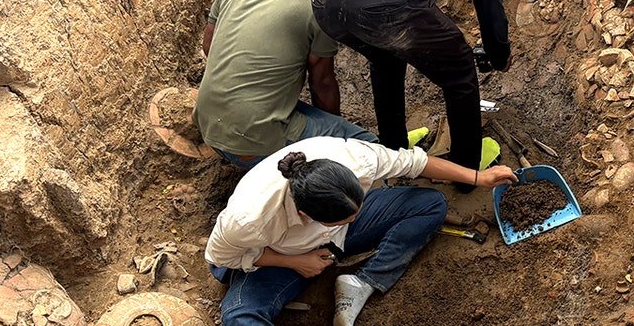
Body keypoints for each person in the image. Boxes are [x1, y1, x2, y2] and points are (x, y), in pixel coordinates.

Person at [205, 136, 518, 325]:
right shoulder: (249, 220)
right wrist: (294, 262)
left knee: (430, 204)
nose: (354, 220)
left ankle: (362, 282)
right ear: (305, 214)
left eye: (355, 212)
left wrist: (478, 177)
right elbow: (219, 257)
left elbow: (414, 163)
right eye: (343, 219)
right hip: (282, 254)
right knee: (240, 316)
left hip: (329, 239)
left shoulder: (355, 159)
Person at [310, 0, 511, 178]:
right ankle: (467, 172)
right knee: (460, 71)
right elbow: (489, 4)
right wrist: (499, 56)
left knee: (386, 57)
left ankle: (394, 152)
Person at [195, 0, 376, 169]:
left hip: (209, 128)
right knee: (364, 144)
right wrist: (333, 140)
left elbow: (209, 46)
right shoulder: (315, 2)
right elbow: (322, 84)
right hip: (252, 143)